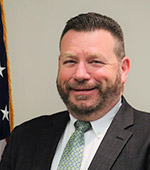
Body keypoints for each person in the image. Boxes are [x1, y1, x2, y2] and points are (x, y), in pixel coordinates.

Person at [0, 12, 150, 170]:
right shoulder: (24, 137)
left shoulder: (145, 138)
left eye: (95, 61)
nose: (80, 74)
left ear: (123, 69)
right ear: (59, 64)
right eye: (70, 61)